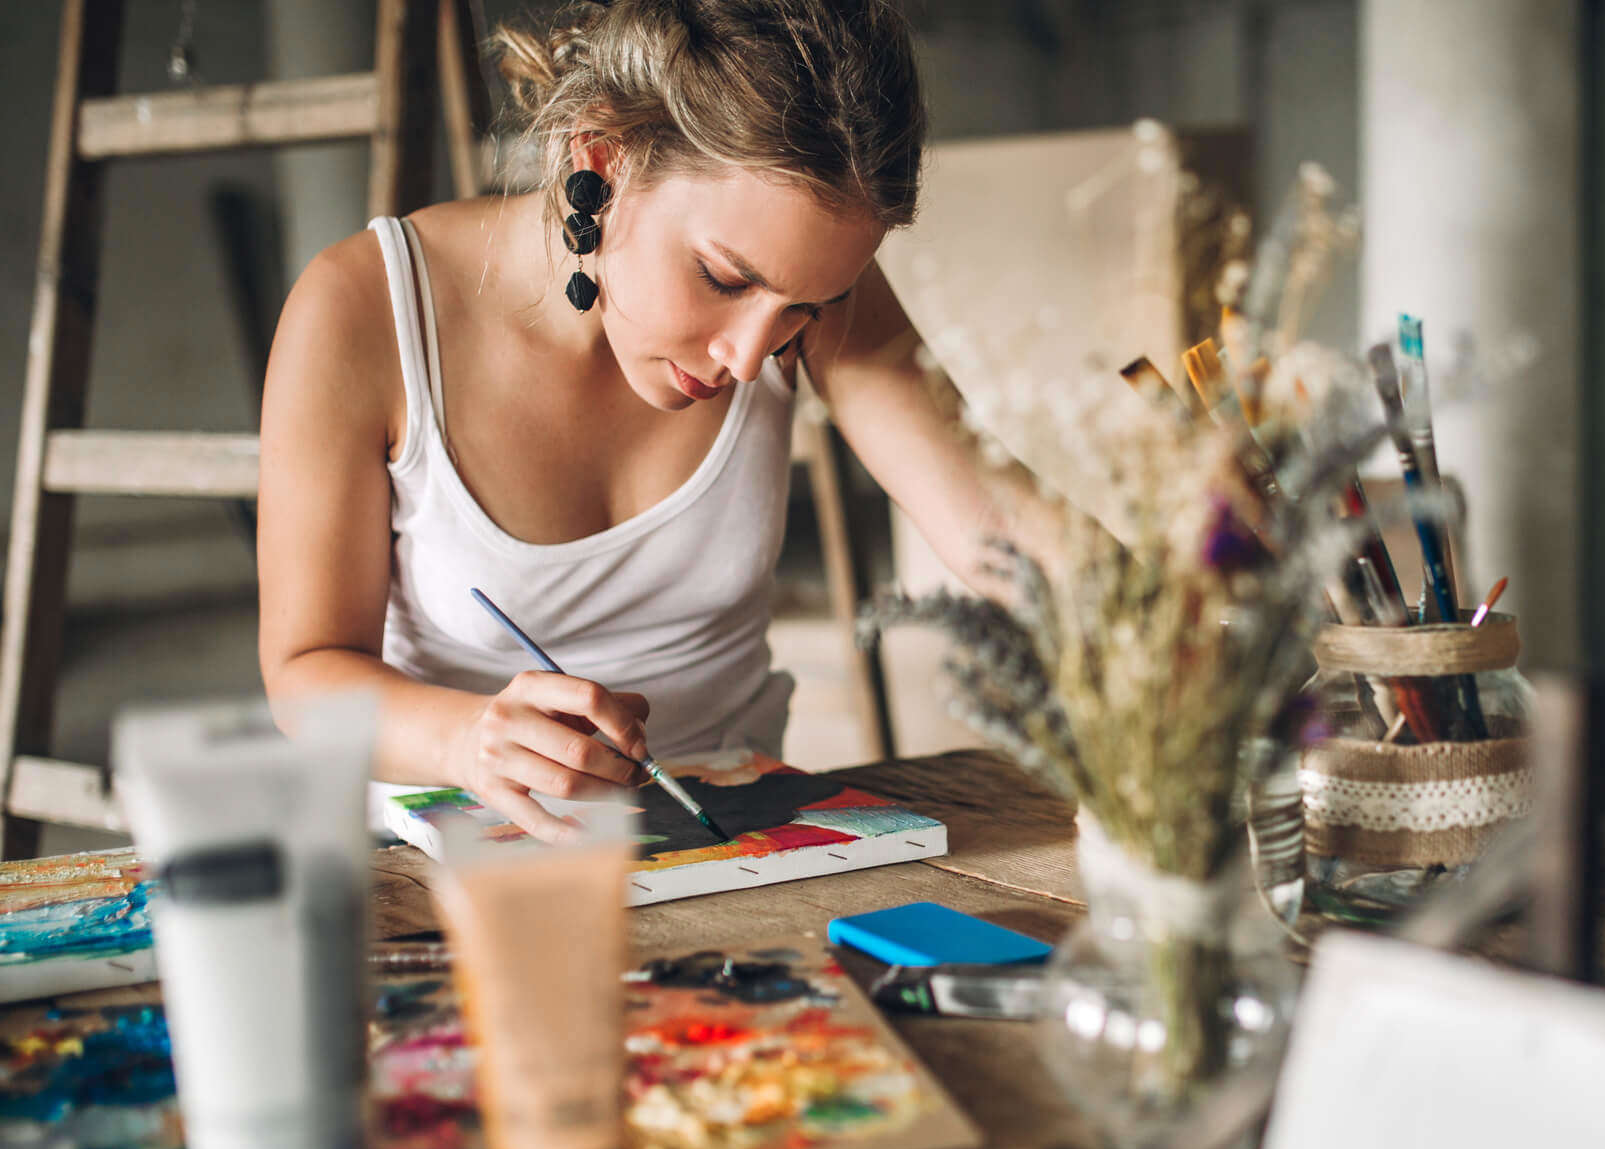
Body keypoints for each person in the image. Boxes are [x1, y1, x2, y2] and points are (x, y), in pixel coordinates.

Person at [257, 0, 1052, 841]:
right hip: (453, 865)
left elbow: (997, 525)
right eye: (723, 278)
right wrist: (466, 741)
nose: (751, 358)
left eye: (809, 307)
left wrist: (1179, 605)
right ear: (600, 157)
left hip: (745, 848)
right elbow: (303, 681)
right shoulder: (362, 308)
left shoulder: (802, 291)